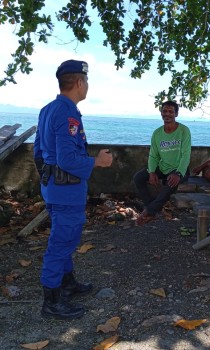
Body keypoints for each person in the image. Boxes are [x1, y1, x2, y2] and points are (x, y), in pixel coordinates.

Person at [34, 59, 113, 319]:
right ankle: (52, 302)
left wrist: (49, 180)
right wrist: (97, 162)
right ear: (79, 82)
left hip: (54, 188)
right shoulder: (67, 113)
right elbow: (67, 159)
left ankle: (67, 284)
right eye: (86, 81)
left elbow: (38, 153)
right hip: (66, 192)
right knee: (61, 242)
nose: (87, 85)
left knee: (65, 239)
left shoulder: (48, 109)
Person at [133, 101, 191, 226]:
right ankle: (150, 207)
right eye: (165, 111)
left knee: (171, 183)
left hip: (180, 169)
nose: (167, 114)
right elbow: (153, 155)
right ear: (161, 113)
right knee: (138, 177)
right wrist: (152, 171)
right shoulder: (157, 133)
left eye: (171, 111)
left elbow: (186, 155)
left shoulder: (184, 131)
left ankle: (149, 211)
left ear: (176, 114)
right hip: (163, 167)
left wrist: (178, 173)